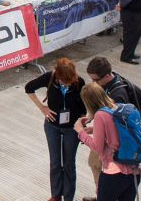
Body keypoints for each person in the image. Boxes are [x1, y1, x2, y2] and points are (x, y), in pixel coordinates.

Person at [25, 58, 86, 201]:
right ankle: (56, 195)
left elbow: (82, 106)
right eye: (65, 81)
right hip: (52, 126)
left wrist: (82, 126)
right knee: (55, 162)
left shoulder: (79, 81)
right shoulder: (50, 77)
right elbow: (29, 88)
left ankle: (68, 197)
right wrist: (42, 108)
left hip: (71, 128)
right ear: (57, 75)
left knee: (69, 162)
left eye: (70, 80)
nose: (68, 83)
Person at [74, 82, 141, 201]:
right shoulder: (122, 108)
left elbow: (97, 147)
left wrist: (80, 132)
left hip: (113, 173)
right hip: (134, 171)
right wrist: (95, 130)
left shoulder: (100, 115)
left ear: (88, 102)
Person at [84, 57, 141, 197]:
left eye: (96, 80)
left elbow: (112, 131)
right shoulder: (114, 81)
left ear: (107, 75)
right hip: (133, 169)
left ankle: (102, 194)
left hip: (115, 158)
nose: (94, 83)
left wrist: (82, 132)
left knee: (94, 162)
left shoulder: (118, 96)